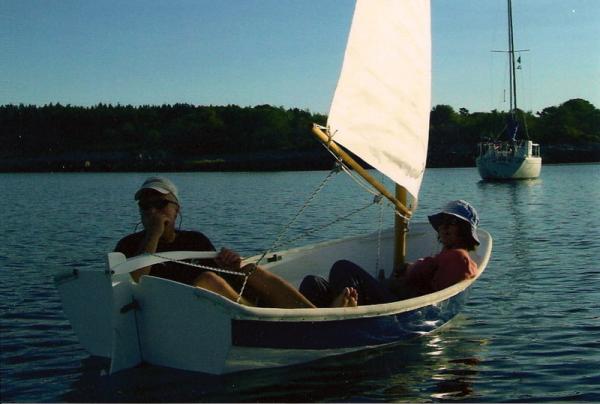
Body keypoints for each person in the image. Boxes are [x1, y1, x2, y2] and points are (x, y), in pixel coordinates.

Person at [115, 176, 357, 308]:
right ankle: (257, 314)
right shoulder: (128, 245)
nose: (152, 212)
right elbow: (134, 280)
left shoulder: (194, 240)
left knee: (249, 270)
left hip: (215, 312)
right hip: (171, 311)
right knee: (206, 281)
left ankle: (315, 317)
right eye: (145, 207)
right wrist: (153, 235)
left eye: (160, 205)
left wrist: (229, 264)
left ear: (176, 209)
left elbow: (222, 275)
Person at [299, 200, 480, 306]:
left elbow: (434, 292)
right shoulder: (444, 257)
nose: (444, 226)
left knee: (342, 268)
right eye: (443, 222)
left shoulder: (458, 258)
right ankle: (321, 319)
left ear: (464, 230)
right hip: (390, 296)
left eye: (452, 223)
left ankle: (343, 314)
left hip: (398, 305)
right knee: (313, 282)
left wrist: (407, 274)